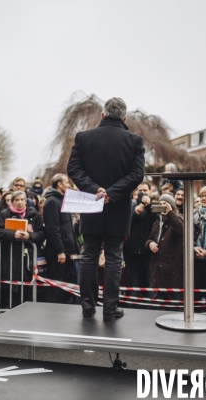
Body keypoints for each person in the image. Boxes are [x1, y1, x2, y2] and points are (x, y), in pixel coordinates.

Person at [67, 97, 145, 320]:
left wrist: (95, 190)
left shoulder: (83, 137)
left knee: (89, 255)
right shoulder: (134, 140)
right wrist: (111, 193)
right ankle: (110, 308)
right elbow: (137, 174)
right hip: (119, 206)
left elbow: (73, 169)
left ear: (102, 115)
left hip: (90, 203)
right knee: (113, 257)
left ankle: (87, 306)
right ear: (124, 117)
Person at [0, 190, 46, 308]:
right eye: (17, 200)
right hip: (9, 256)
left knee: (27, 286)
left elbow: (42, 233)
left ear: (26, 201)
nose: (20, 202)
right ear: (12, 202)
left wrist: (30, 236)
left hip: (28, 257)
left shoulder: (33, 214)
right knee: (10, 286)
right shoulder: (5, 214)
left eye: (22, 200)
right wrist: (12, 235)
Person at [42, 174, 79, 304]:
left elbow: (68, 227)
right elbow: (53, 228)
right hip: (58, 251)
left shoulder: (63, 200)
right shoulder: (52, 201)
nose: (68, 186)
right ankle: (52, 310)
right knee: (56, 283)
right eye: (67, 183)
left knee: (63, 283)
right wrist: (60, 250)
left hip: (66, 250)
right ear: (60, 185)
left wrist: (71, 250)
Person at [146, 193, 183, 300]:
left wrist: (171, 213)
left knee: (172, 302)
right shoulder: (157, 221)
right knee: (155, 303)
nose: (162, 206)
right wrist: (150, 243)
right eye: (160, 204)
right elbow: (149, 238)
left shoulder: (178, 219)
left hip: (170, 269)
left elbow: (181, 231)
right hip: (156, 267)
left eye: (165, 204)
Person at [124, 181, 156, 305]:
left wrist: (148, 207)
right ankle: (135, 309)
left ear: (150, 192)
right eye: (140, 191)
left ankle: (151, 309)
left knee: (149, 283)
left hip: (149, 252)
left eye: (145, 191)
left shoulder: (153, 207)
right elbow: (126, 228)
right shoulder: (130, 206)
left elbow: (156, 221)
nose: (143, 193)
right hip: (132, 253)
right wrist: (136, 214)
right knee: (135, 284)